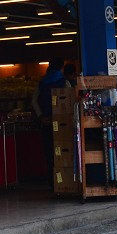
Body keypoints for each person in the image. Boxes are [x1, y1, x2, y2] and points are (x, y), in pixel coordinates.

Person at [37, 57, 68, 188]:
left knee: (50, 152)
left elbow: (34, 101)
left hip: (47, 122)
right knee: (62, 151)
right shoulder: (64, 82)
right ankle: (63, 181)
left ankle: (52, 182)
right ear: (61, 67)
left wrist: (41, 116)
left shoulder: (42, 82)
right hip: (62, 124)